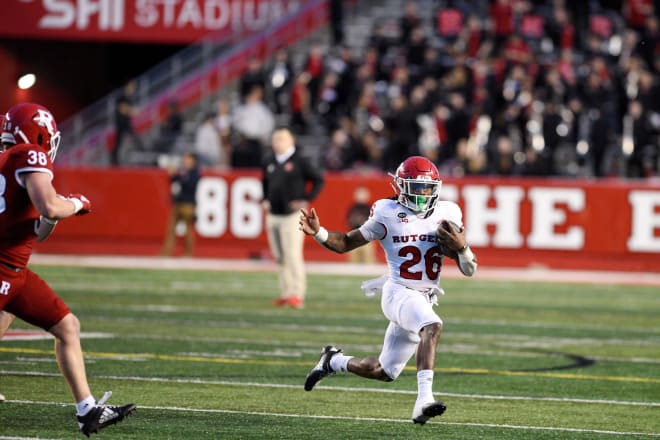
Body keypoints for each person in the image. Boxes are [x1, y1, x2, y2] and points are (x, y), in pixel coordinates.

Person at [299, 156, 477, 424]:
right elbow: (346, 242)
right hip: (398, 291)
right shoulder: (387, 212)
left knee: (384, 371)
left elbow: (470, 269)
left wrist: (462, 249)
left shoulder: (448, 213)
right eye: (416, 188)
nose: (422, 195)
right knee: (433, 326)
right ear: (401, 187)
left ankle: (333, 361)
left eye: (427, 189)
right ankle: (424, 400)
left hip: (423, 297)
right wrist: (319, 233)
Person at [0, 102, 136, 435]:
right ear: (41, 133)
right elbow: (49, 206)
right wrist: (76, 203)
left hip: (15, 271)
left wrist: (56, 212)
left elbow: (40, 229)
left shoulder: (10, 160)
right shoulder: (30, 154)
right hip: (2, 269)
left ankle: (87, 410)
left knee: (67, 325)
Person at [262, 128, 324, 309]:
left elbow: (318, 180)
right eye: (275, 139)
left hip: (292, 216)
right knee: (279, 257)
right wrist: (265, 198)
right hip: (273, 214)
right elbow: (264, 182)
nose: (277, 142)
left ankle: (297, 293)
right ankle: (286, 292)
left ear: (291, 141)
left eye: (281, 139)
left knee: (293, 255)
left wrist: (306, 199)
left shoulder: (300, 160)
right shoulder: (269, 160)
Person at [161, 152, 200, 257]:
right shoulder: (184, 171)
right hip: (178, 203)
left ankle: (188, 253)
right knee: (171, 229)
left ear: (193, 160)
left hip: (188, 205)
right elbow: (174, 180)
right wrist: (172, 174)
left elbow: (189, 185)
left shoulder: (194, 172)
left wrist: (179, 176)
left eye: (188, 159)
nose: (185, 161)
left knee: (188, 230)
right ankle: (167, 253)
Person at [110, 80, 143, 166]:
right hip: (121, 123)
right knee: (118, 142)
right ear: (127, 86)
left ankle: (142, 154)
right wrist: (133, 111)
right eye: (132, 86)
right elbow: (122, 109)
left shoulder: (129, 98)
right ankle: (114, 161)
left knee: (134, 138)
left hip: (126, 123)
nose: (133, 89)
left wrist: (133, 112)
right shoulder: (121, 96)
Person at [345, 186, 376, 264]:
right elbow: (348, 221)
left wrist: (362, 221)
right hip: (354, 237)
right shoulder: (353, 208)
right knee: (354, 261)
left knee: (368, 260)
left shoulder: (371, 208)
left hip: (367, 238)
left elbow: (373, 223)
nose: (361, 197)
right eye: (359, 194)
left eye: (363, 194)